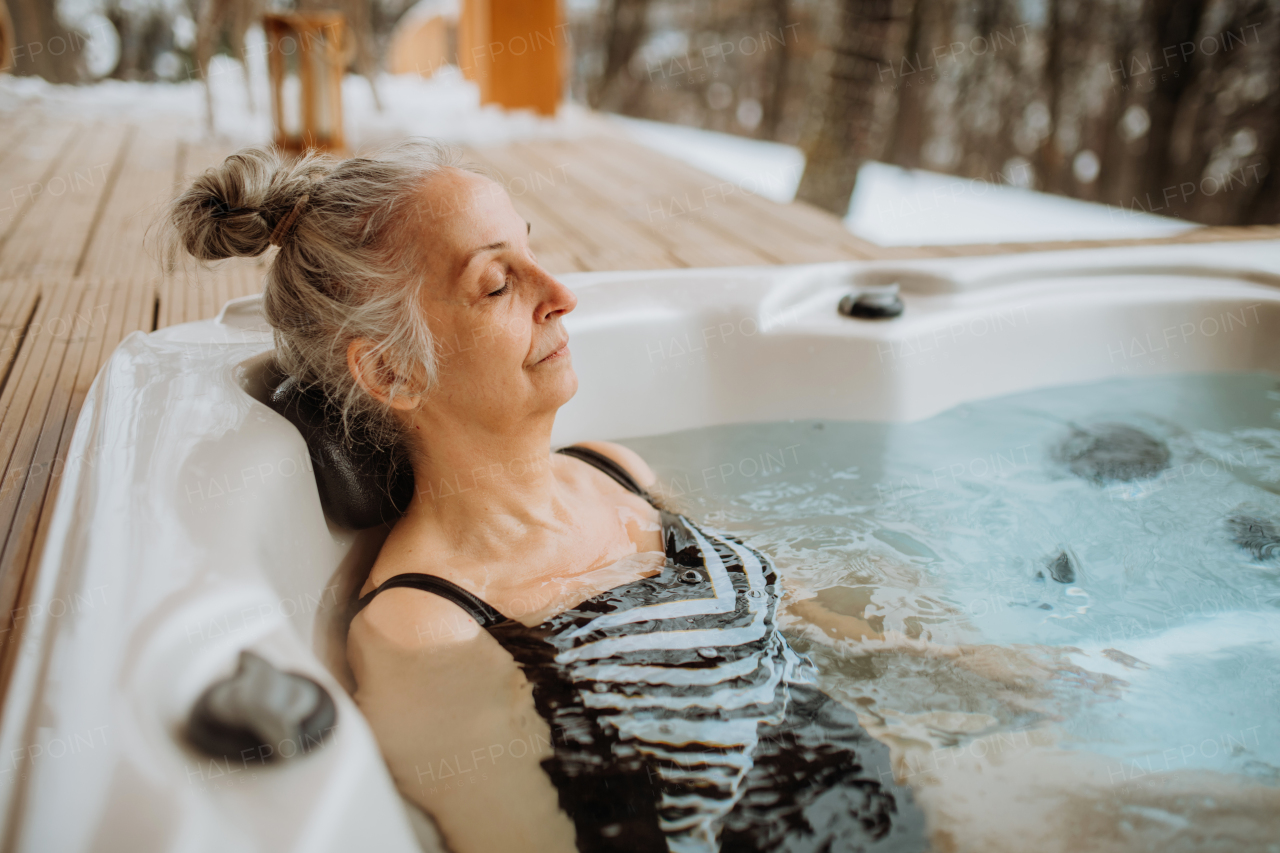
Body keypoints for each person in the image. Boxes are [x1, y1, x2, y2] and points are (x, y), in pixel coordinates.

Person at [168, 141, 928, 853]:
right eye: (498, 283)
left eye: (533, 253)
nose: (561, 295)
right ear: (394, 372)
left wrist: (961, 671)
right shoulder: (427, 622)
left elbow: (783, 640)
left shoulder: (617, 472)